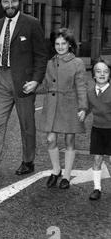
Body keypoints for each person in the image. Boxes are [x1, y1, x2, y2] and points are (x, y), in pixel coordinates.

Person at [0, 0, 48, 180]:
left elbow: (42, 56)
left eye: (13, 1)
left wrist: (35, 80)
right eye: (6, 2)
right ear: (1, 3)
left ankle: (28, 160)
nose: (10, 5)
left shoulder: (32, 24)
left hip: (24, 82)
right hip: (2, 78)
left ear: (19, 2)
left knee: (26, 124)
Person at [38, 28, 87, 189]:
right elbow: (45, 85)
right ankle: (56, 170)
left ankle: (66, 175)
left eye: (63, 43)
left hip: (69, 105)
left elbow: (81, 87)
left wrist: (83, 107)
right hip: (52, 106)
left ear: (70, 45)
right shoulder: (50, 63)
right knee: (50, 139)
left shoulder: (77, 63)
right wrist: (32, 86)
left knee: (69, 140)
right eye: (57, 44)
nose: (60, 46)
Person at [84, 59, 111, 200]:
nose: (102, 74)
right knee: (97, 159)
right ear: (93, 75)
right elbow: (87, 107)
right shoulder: (90, 91)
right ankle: (97, 188)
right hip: (97, 129)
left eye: (106, 71)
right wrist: (82, 112)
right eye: (98, 71)